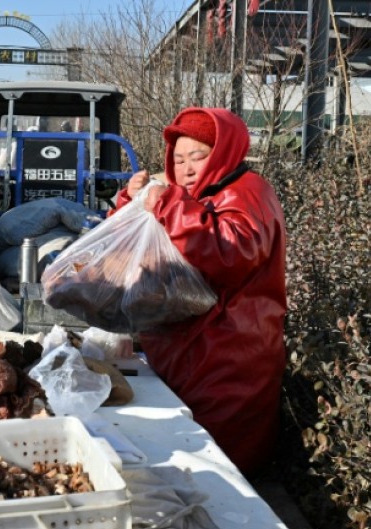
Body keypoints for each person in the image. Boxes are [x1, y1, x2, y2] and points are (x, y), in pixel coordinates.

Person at [112, 107, 286, 476]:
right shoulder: (195, 194)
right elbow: (133, 244)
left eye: (198, 156)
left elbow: (229, 253)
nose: (186, 168)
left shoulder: (248, 192)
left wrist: (168, 203)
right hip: (187, 348)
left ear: (223, 154)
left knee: (220, 467)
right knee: (186, 455)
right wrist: (132, 202)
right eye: (178, 159)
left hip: (229, 356)